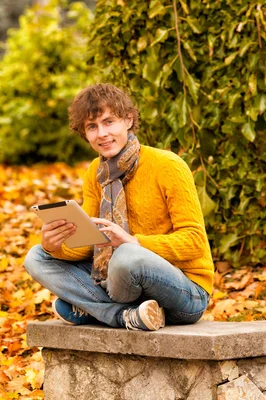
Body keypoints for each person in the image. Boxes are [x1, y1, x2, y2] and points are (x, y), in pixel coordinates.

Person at [24, 83, 214, 331]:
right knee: (37, 257)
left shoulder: (168, 165)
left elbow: (194, 241)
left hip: (185, 292)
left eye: (109, 122)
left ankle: (93, 308)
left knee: (126, 257)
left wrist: (133, 242)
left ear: (128, 119)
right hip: (122, 283)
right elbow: (90, 244)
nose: (102, 133)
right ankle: (125, 316)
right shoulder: (96, 172)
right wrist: (55, 246)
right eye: (92, 127)